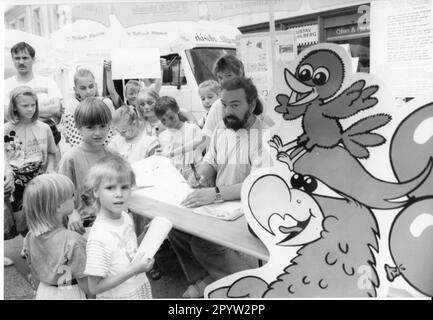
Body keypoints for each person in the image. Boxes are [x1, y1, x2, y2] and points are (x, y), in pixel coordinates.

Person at [169, 77, 273, 298]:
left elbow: (255, 185)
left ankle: (255, 288)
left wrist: (214, 194)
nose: (227, 111)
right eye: (224, 105)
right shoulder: (221, 128)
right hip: (219, 204)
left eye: (235, 105)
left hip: (247, 209)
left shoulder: (264, 136)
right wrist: (199, 175)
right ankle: (205, 280)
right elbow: (211, 162)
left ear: (252, 104)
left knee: (202, 244)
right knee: (174, 227)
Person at [84, 155, 154, 299]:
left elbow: (128, 249)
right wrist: (133, 270)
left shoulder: (125, 217)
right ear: (96, 191)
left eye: (125, 187)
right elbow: (94, 287)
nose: (119, 194)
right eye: (110, 188)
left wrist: (147, 235)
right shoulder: (98, 238)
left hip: (137, 290)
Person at [21, 173, 92, 299]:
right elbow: (88, 286)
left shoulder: (30, 236)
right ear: (58, 206)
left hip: (44, 292)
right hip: (70, 293)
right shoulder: (73, 241)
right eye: (71, 196)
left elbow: (34, 273)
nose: (75, 199)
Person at [4, 86, 58, 237]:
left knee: (40, 214)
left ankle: (36, 243)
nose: (30, 109)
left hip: (38, 176)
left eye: (33, 105)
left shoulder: (44, 128)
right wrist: (7, 172)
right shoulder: (7, 129)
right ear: (14, 107)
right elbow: (6, 155)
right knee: (20, 218)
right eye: (25, 105)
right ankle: (25, 241)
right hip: (16, 179)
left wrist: (51, 169)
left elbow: (52, 152)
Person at [58, 97, 117, 235]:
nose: (98, 133)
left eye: (102, 126)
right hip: (82, 224)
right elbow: (62, 192)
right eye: (90, 127)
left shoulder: (113, 154)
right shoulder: (70, 158)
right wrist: (71, 213)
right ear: (79, 127)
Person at [202, 54, 273, 141]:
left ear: (240, 75)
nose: (224, 81)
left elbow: (271, 130)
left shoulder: (258, 101)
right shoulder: (217, 105)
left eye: (229, 76)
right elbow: (207, 135)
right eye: (220, 77)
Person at [4, 42, 63, 143]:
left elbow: (56, 109)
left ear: (33, 59)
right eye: (17, 58)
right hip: (18, 140)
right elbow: (6, 114)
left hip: (48, 137)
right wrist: (43, 109)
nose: (21, 62)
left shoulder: (48, 82)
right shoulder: (5, 85)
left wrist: (19, 110)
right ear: (12, 60)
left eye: (25, 58)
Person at [61, 68, 115, 150]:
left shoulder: (106, 103)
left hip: (106, 153)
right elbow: (74, 138)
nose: (88, 91)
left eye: (91, 86)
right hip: (83, 153)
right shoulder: (72, 105)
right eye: (83, 88)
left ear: (96, 86)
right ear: (76, 90)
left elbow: (113, 132)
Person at [154, 96, 205, 180]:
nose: (168, 122)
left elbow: (201, 147)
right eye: (163, 120)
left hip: (195, 174)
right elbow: (166, 157)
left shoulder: (192, 128)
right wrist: (159, 154)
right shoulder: (162, 136)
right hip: (174, 176)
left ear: (177, 110)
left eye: (171, 117)